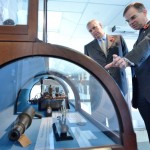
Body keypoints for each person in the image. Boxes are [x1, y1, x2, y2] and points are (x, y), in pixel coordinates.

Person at [105, 2, 150, 142]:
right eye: (128, 20)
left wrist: (127, 60)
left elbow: (147, 45)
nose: (131, 22)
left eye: (133, 17)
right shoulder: (141, 34)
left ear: (144, 12)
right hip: (143, 95)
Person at [84, 19, 129, 97]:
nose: (93, 31)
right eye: (90, 31)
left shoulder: (118, 39)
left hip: (119, 81)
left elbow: (127, 57)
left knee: (121, 108)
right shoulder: (88, 47)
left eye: (94, 27)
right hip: (100, 85)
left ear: (101, 25)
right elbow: (88, 66)